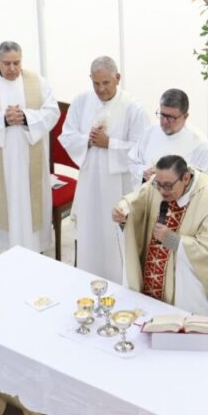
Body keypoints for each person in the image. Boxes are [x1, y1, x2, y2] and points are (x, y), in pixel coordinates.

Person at [58, 56, 149, 282]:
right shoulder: (80, 101)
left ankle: (120, 282)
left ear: (117, 78)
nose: (101, 89)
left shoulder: (133, 108)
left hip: (119, 186)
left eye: (106, 83)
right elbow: (67, 135)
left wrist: (110, 144)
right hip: (90, 181)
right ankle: (89, 278)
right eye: (96, 83)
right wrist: (86, 140)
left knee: (114, 236)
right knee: (91, 234)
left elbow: (142, 151)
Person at [111, 155, 208, 323]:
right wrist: (123, 211)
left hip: (185, 293)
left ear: (186, 178)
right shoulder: (159, 183)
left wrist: (173, 240)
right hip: (150, 280)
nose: (161, 191)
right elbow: (137, 199)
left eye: (167, 186)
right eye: (158, 184)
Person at [0, 41, 60, 252]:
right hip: (4, 161)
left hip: (31, 156)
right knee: (10, 205)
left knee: (34, 204)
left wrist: (26, 116)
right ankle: (11, 251)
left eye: (16, 63)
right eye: (6, 63)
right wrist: (3, 120)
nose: (12, 69)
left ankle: (38, 247)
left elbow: (52, 111)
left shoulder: (37, 82)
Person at [128, 89, 208, 187]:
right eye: (162, 115)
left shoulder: (200, 144)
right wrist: (144, 173)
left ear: (185, 116)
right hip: (148, 196)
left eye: (171, 117)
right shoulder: (149, 133)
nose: (164, 121)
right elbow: (133, 162)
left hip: (180, 201)